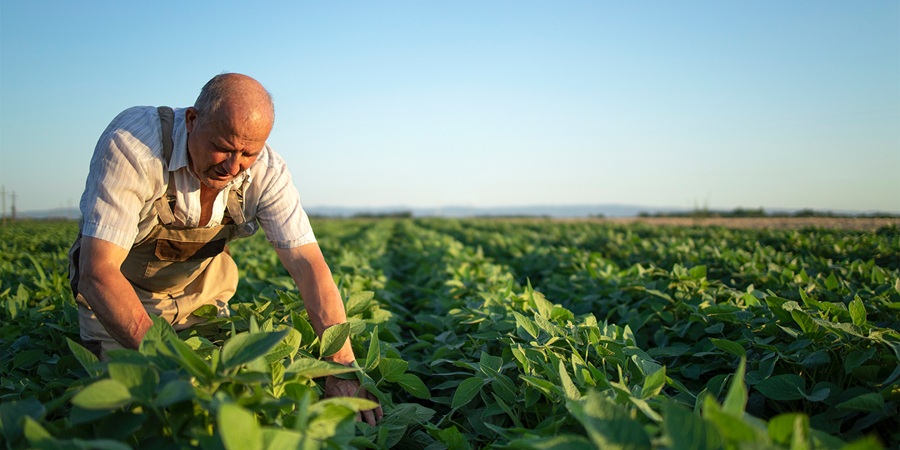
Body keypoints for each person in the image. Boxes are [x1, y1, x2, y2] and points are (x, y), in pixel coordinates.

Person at [67, 73, 383, 425]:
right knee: (137, 410)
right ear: (192, 120)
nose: (233, 166)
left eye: (248, 153)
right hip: (121, 299)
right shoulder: (134, 145)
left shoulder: (268, 172)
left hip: (202, 295)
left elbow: (308, 265)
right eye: (224, 146)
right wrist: (176, 367)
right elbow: (97, 274)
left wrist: (339, 368)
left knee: (236, 405)